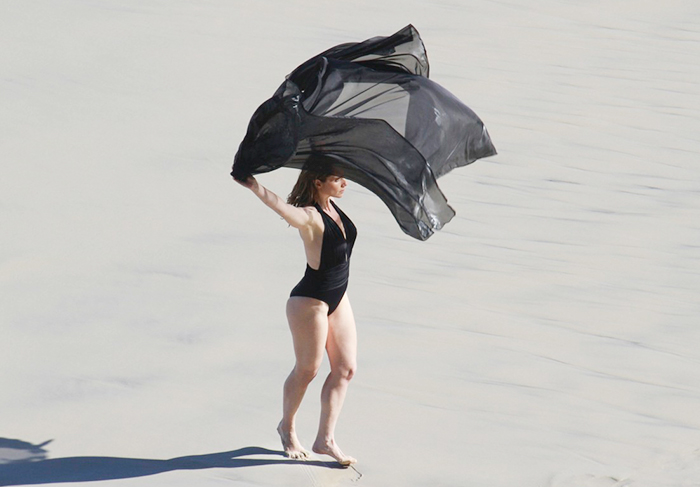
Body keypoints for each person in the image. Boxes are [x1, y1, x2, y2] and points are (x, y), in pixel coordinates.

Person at [235, 159, 358, 466]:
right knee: (308, 370)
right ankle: (287, 427)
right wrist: (255, 186)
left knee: (345, 369)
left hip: (338, 298)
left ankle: (325, 440)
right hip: (310, 302)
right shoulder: (311, 217)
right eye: (337, 178)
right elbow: (282, 208)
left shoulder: (333, 208)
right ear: (318, 182)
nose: (344, 183)